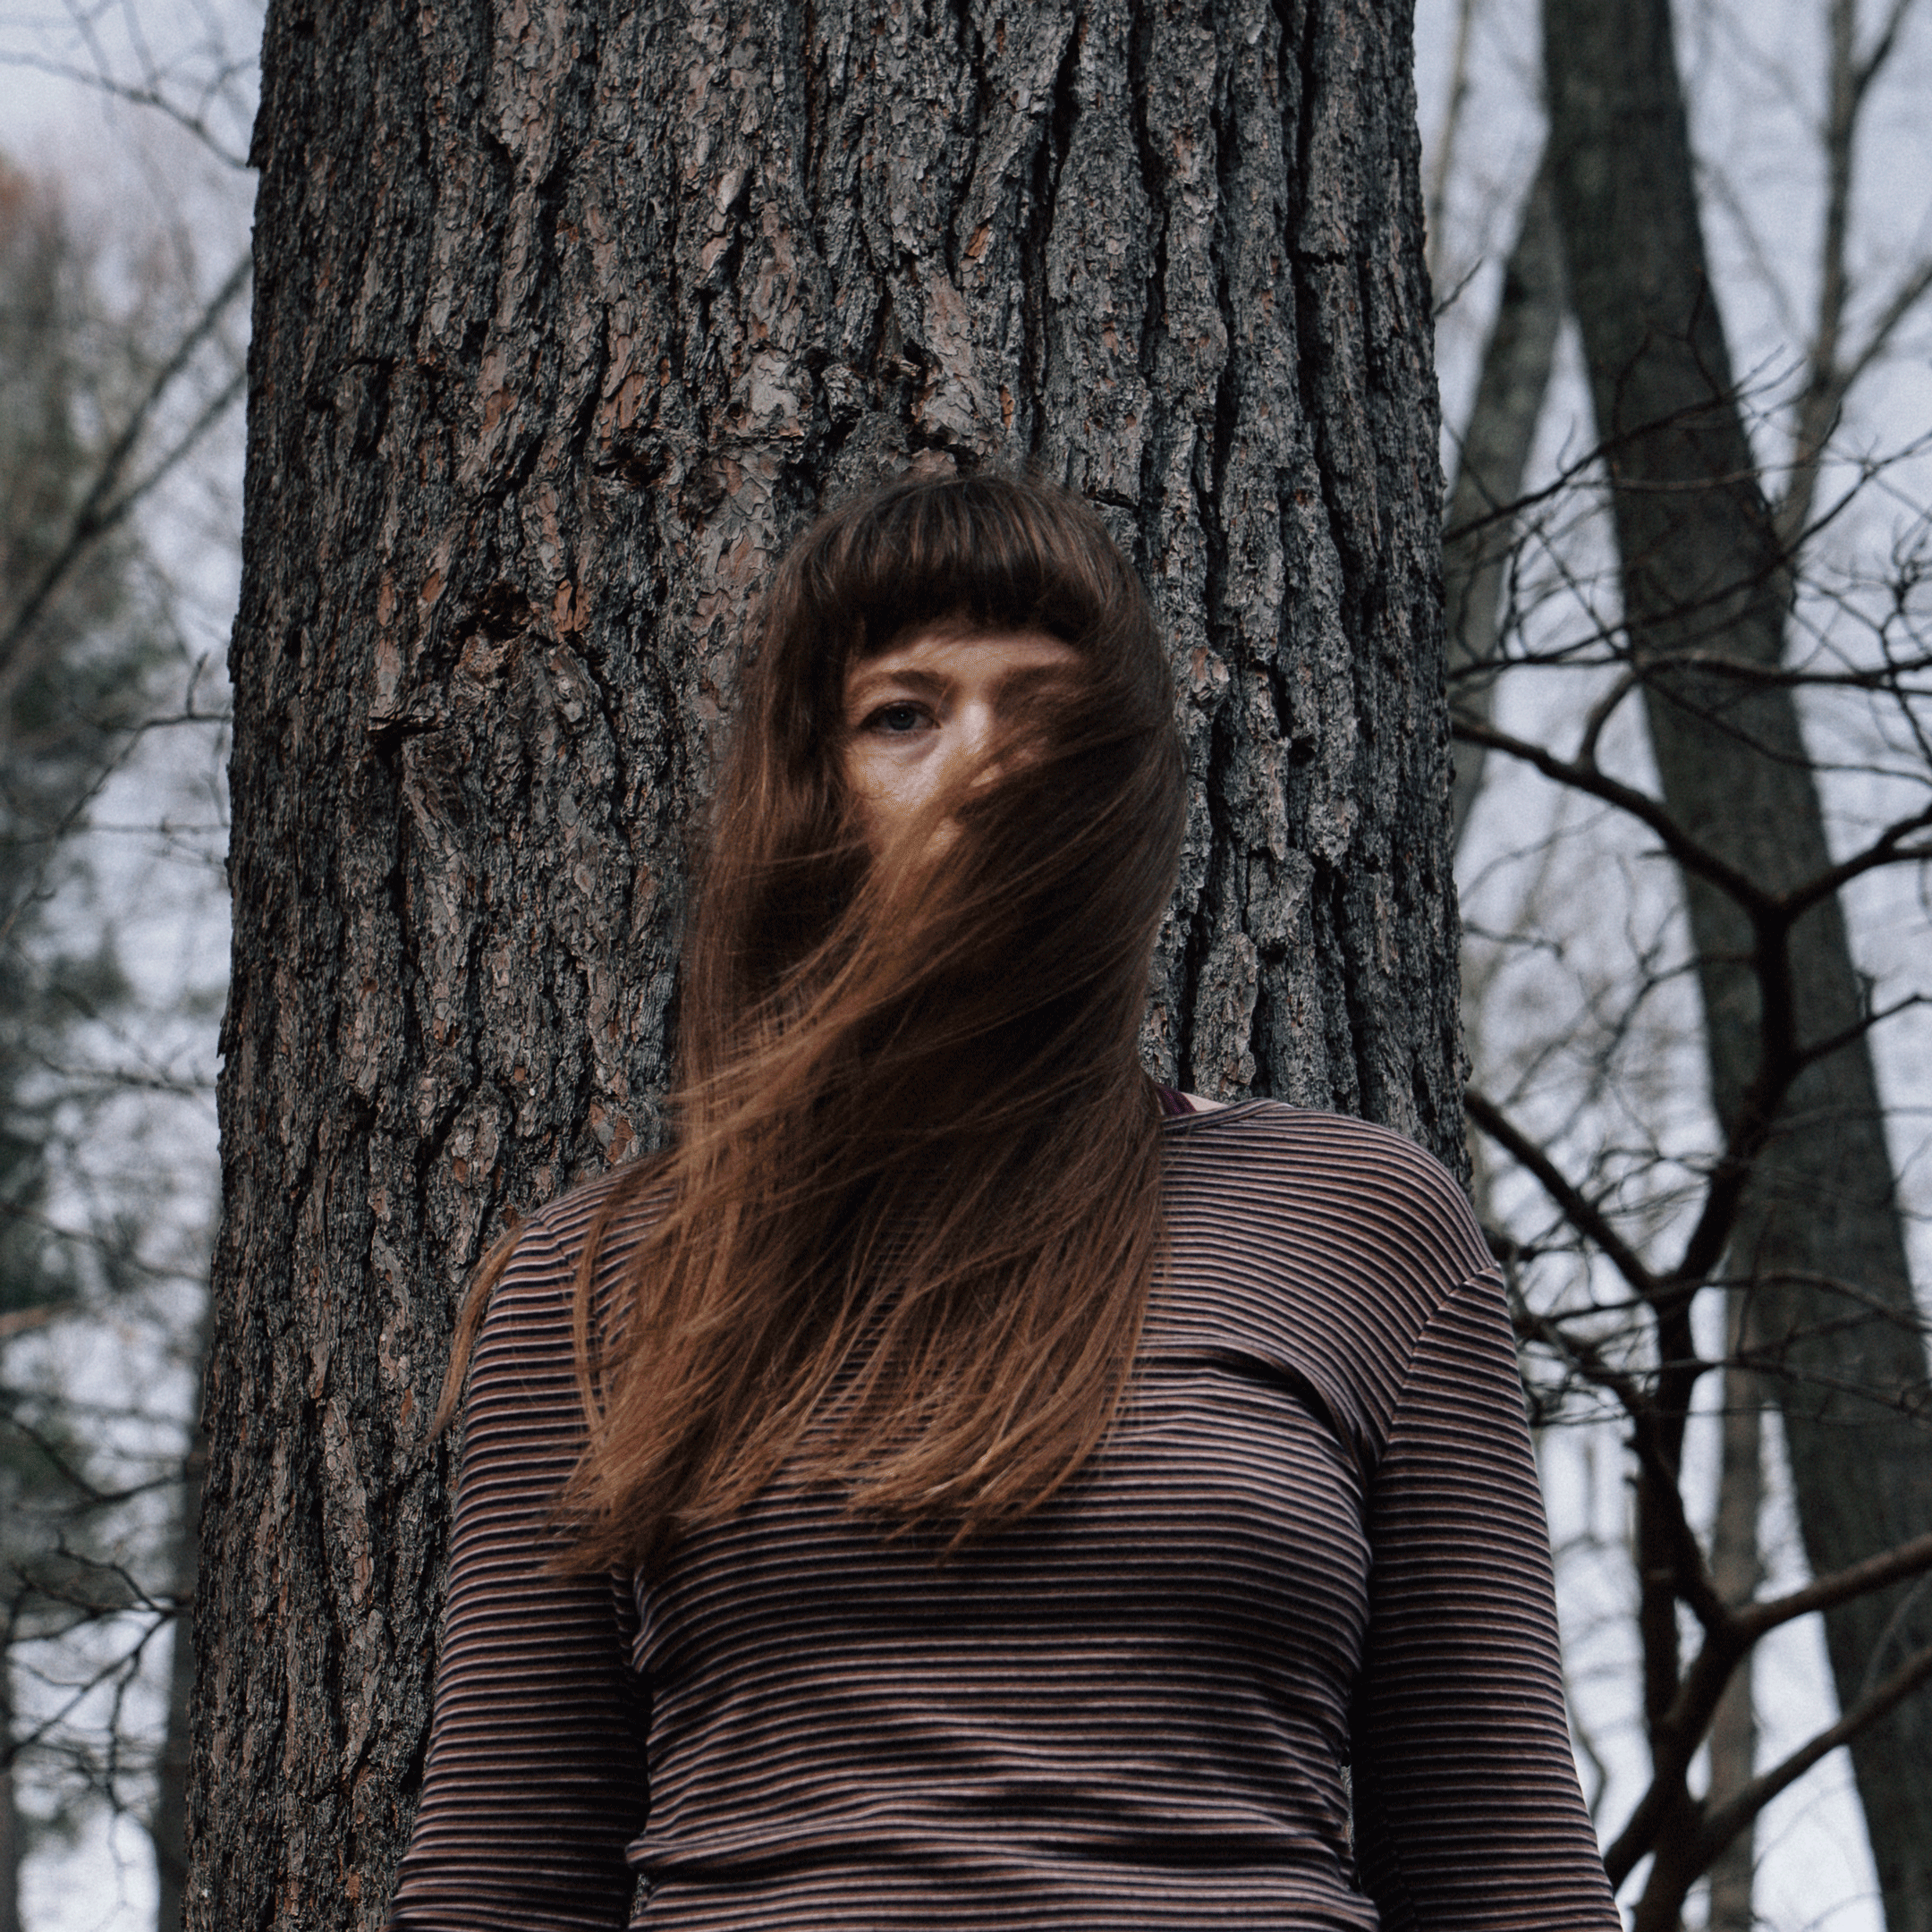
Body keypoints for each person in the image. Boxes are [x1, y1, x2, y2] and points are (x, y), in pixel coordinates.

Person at [387, 473, 1621, 1931]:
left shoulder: (1359, 1225)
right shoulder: (601, 1277)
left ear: (1121, 786)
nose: (985, 765)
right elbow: (504, 1884)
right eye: (903, 715)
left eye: (1042, 713)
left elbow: (1505, 1869)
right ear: (814, 791)